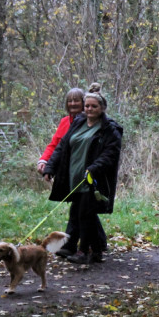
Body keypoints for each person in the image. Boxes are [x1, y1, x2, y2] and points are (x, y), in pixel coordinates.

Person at [42, 86, 123, 265]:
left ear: (102, 108)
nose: (89, 109)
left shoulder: (110, 128)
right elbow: (62, 146)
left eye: (94, 106)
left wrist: (94, 168)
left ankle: (83, 251)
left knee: (84, 213)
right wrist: (50, 167)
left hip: (93, 178)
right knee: (79, 212)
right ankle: (97, 251)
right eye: (87, 106)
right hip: (74, 176)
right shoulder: (78, 123)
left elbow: (111, 153)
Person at [36, 86, 104, 257]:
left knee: (81, 208)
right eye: (70, 101)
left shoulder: (90, 122)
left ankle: (75, 244)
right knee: (81, 208)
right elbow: (56, 144)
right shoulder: (65, 122)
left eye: (77, 100)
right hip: (68, 171)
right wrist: (45, 161)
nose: (73, 103)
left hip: (85, 171)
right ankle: (98, 243)